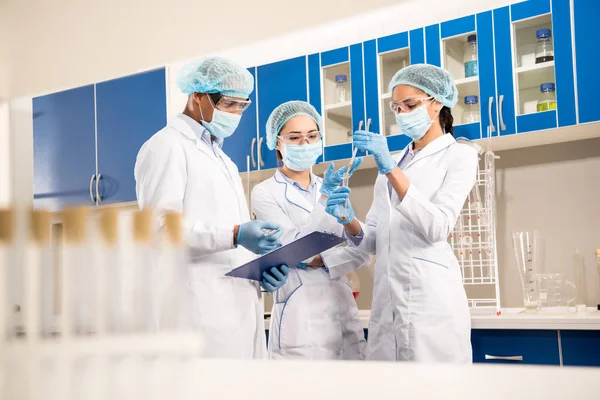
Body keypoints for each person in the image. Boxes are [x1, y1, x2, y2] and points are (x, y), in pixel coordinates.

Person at [134, 57, 289, 359]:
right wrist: (235, 235)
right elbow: (160, 229)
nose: (235, 113)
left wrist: (260, 268)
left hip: (240, 313)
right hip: (197, 317)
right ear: (198, 95)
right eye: (229, 104)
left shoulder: (224, 161)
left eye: (242, 106)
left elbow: (228, 241)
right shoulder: (166, 146)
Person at [325, 64, 478, 363]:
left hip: (431, 306)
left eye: (411, 105)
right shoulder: (393, 165)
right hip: (387, 305)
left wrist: (391, 169)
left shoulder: (459, 155)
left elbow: (438, 227)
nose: (403, 113)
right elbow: (372, 242)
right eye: (397, 107)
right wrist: (349, 220)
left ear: (438, 103)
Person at [251, 101, 371, 359]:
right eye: (294, 137)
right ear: (277, 142)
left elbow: (363, 252)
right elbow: (292, 249)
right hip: (300, 320)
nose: (305, 144)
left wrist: (321, 260)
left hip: (342, 315)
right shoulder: (264, 193)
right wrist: (325, 200)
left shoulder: (330, 187)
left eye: (312, 136)